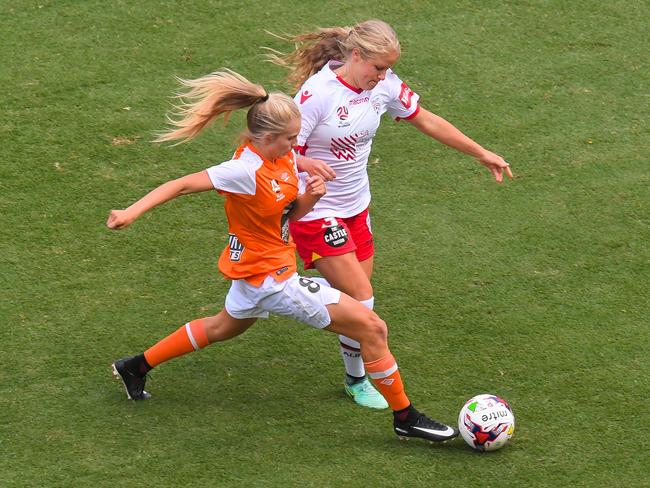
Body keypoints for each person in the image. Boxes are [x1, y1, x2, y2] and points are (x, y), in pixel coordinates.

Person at [108, 68, 459, 442]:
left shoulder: (282, 159)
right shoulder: (243, 169)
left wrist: (310, 199)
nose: (297, 145)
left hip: (257, 269)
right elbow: (180, 185)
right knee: (372, 327)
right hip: (271, 279)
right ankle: (405, 416)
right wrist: (130, 212)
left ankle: (134, 366)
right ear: (269, 137)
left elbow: (285, 217)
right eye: (291, 139)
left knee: (221, 326)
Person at [266, 19, 514, 410]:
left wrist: (481, 153)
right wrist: (308, 165)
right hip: (316, 210)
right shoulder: (316, 95)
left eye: (387, 68)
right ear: (356, 55)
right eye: (377, 67)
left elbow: (425, 119)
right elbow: (278, 149)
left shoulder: (384, 86)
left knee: (355, 300)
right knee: (363, 301)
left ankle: (347, 370)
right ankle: (360, 377)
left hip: (356, 206)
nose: (382, 76)